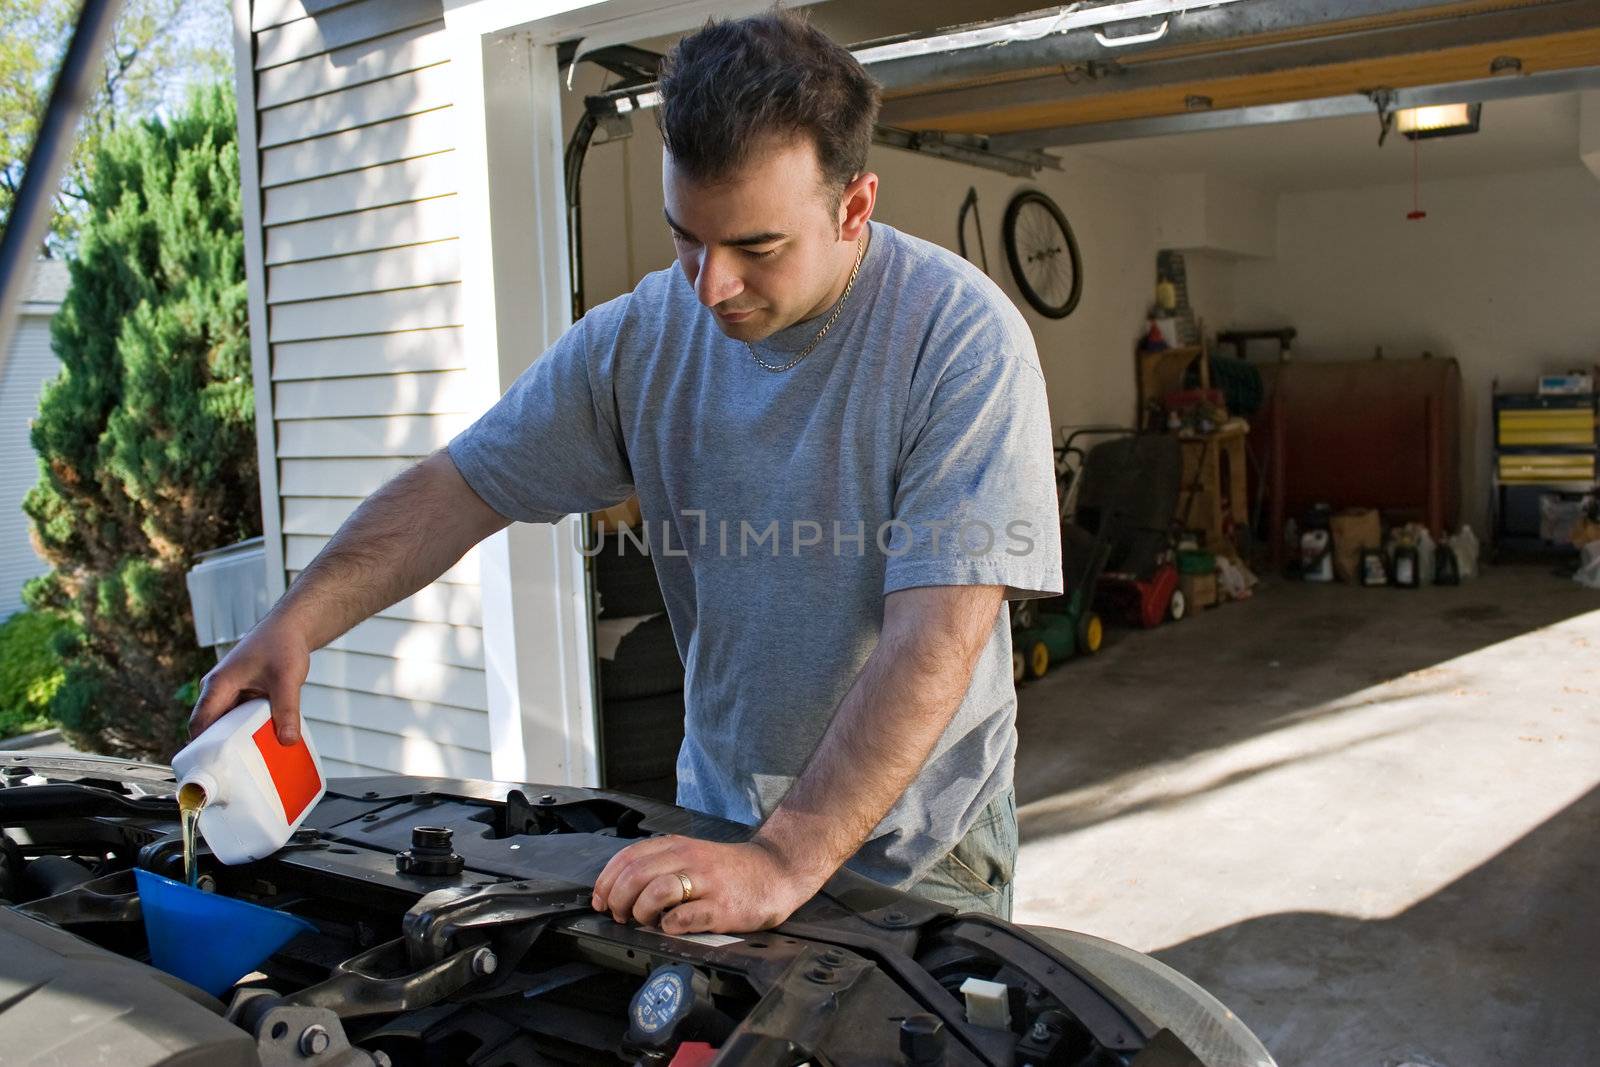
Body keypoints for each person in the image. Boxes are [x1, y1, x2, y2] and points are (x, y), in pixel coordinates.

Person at [189, 11, 1061, 934]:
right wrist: (295, 621)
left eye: (757, 248)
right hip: (720, 819)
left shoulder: (960, 340)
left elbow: (933, 641)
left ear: (854, 207)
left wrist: (783, 856)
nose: (709, 285)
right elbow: (460, 486)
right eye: (686, 236)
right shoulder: (643, 339)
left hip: (917, 852)